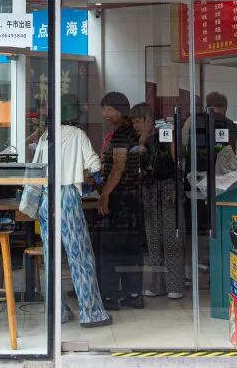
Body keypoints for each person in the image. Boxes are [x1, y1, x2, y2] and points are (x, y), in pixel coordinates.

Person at [32, 94, 112, 328]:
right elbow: (95, 165)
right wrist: (90, 183)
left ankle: (58, 312)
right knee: (80, 255)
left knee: (51, 257)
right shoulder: (77, 134)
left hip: (46, 197)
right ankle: (91, 313)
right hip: (67, 195)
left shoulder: (46, 136)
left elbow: (36, 168)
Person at [93, 91, 144, 310]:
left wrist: (105, 193)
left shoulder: (122, 133)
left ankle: (110, 297)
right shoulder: (131, 130)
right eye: (103, 109)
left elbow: (118, 166)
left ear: (120, 109)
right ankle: (133, 294)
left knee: (110, 249)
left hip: (120, 197)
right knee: (130, 249)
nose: (105, 113)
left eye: (109, 109)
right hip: (132, 196)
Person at [132, 103, 186, 300]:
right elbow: (138, 164)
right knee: (153, 238)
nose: (136, 126)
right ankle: (157, 285)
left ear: (148, 119)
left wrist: (171, 136)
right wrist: (143, 139)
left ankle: (175, 285)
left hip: (169, 187)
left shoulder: (166, 135)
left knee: (171, 237)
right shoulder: (140, 140)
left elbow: (177, 159)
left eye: (138, 121)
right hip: (150, 190)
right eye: (134, 122)